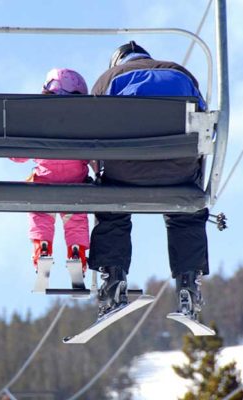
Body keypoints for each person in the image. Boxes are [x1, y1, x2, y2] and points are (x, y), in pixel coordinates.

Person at [89, 41, 209, 320]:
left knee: (111, 210)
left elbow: (92, 133)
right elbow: (206, 126)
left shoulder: (109, 80)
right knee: (186, 212)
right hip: (179, 169)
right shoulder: (181, 74)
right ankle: (188, 285)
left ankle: (113, 283)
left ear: (117, 61)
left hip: (125, 171)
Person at [11, 68, 91, 273]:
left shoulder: (39, 122)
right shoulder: (84, 124)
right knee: (76, 218)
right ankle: (77, 252)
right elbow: (96, 156)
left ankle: (42, 247)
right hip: (76, 184)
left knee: (40, 213)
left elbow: (17, 157)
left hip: (44, 183)